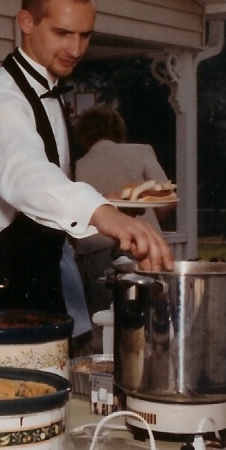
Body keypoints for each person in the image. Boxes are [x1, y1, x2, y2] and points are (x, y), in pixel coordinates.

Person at [0, 0, 173, 317]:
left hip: (39, 289)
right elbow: (25, 174)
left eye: (85, 35)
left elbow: (49, 195)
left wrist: (106, 207)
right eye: (63, 33)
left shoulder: (50, 93)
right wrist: (102, 213)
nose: (75, 49)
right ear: (26, 22)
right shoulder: (1, 100)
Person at [72, 104, 177, 327]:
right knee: (147, 321)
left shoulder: (77, 166)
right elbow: (166, 197)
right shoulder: (140, 151)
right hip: (141, 247)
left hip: (93, 252)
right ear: (119, 130)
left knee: (102, 323)